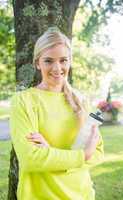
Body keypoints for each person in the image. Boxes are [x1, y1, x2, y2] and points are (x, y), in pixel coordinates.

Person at [10, 27, 104, 200]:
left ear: (70, 62)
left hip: (81, 194)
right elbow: (31, 159)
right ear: (37, 63)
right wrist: (83, 155)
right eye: (48, 61)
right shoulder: (23, 101)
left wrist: (51, 153)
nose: (57, 67)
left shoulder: (81, 101)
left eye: (63, 60)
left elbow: (97, 153)